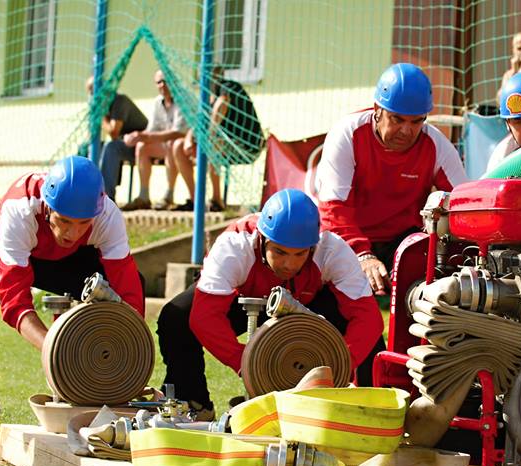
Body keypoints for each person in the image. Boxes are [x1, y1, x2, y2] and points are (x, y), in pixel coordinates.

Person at [0, 156, 145, 442]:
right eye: (64, 220)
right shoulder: (20, 209)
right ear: (47, 206)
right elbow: (14, 303)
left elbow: (130, 298)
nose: (73, 232)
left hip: (67, 259)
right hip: (3, 242)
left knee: (131, 284)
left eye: (83, 223)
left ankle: (104, 397)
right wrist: (56, 351)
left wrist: (123, 361)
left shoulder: (107, 216)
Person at [156, 189, 384, 416]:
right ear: (262, 238)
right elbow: (204, 317)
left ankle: (368, 410)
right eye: (279, 251)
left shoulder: (333, 249)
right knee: (176, 316)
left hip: (307, 304)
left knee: (365, 334)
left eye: (300, 254)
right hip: (242, 300)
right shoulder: (235, 244)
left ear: (313, 246)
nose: (289, 264)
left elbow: (369, 319)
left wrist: (341, 363)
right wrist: (246, 363)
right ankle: (194, 403)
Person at [315, 63, 468, 295]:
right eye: (397, 119)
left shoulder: (437, 145)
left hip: (402, 243)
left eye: (416, 121)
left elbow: (465, 204)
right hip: (347, 238)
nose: (406, 131)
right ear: (378, 109)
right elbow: (333, 210)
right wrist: (362, 255)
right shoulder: (347, 133)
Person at [173, 69, 265, 212]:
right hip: (222, 147)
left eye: (211, 73)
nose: (206, 78)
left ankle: (216, 200)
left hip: (246, 147)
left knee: (213, 143)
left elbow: (223, 103)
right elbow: (199, 122)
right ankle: (196, 200)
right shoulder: (208, 98)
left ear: (218, 74)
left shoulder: (228, 87)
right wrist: (188, 139)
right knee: (178, 146)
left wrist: (209, 134)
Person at [120, 70, 189, 211]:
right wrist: (136, 136)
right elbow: (150, 131)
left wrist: (145, 136)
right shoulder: (157, 102)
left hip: (185, 147)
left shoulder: (183, 100)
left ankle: (169, 195)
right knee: (142, 146)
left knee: (171, 143)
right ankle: (144, 196)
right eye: (159, 82)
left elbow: (178, 133)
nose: (162, 85)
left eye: (166, 81)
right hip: (167, 146)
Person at [85, 77, 149, 203]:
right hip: (122, 143)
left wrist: (101, 115)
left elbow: (114, 132)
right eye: (90, 93)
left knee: (111, 147)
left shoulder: (120, 100)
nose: (92, 96)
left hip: (142, 145)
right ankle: (86, 192)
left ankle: (106, 197)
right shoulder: (101, 105)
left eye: (93, 91)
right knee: (89, 147)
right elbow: (91, 135)